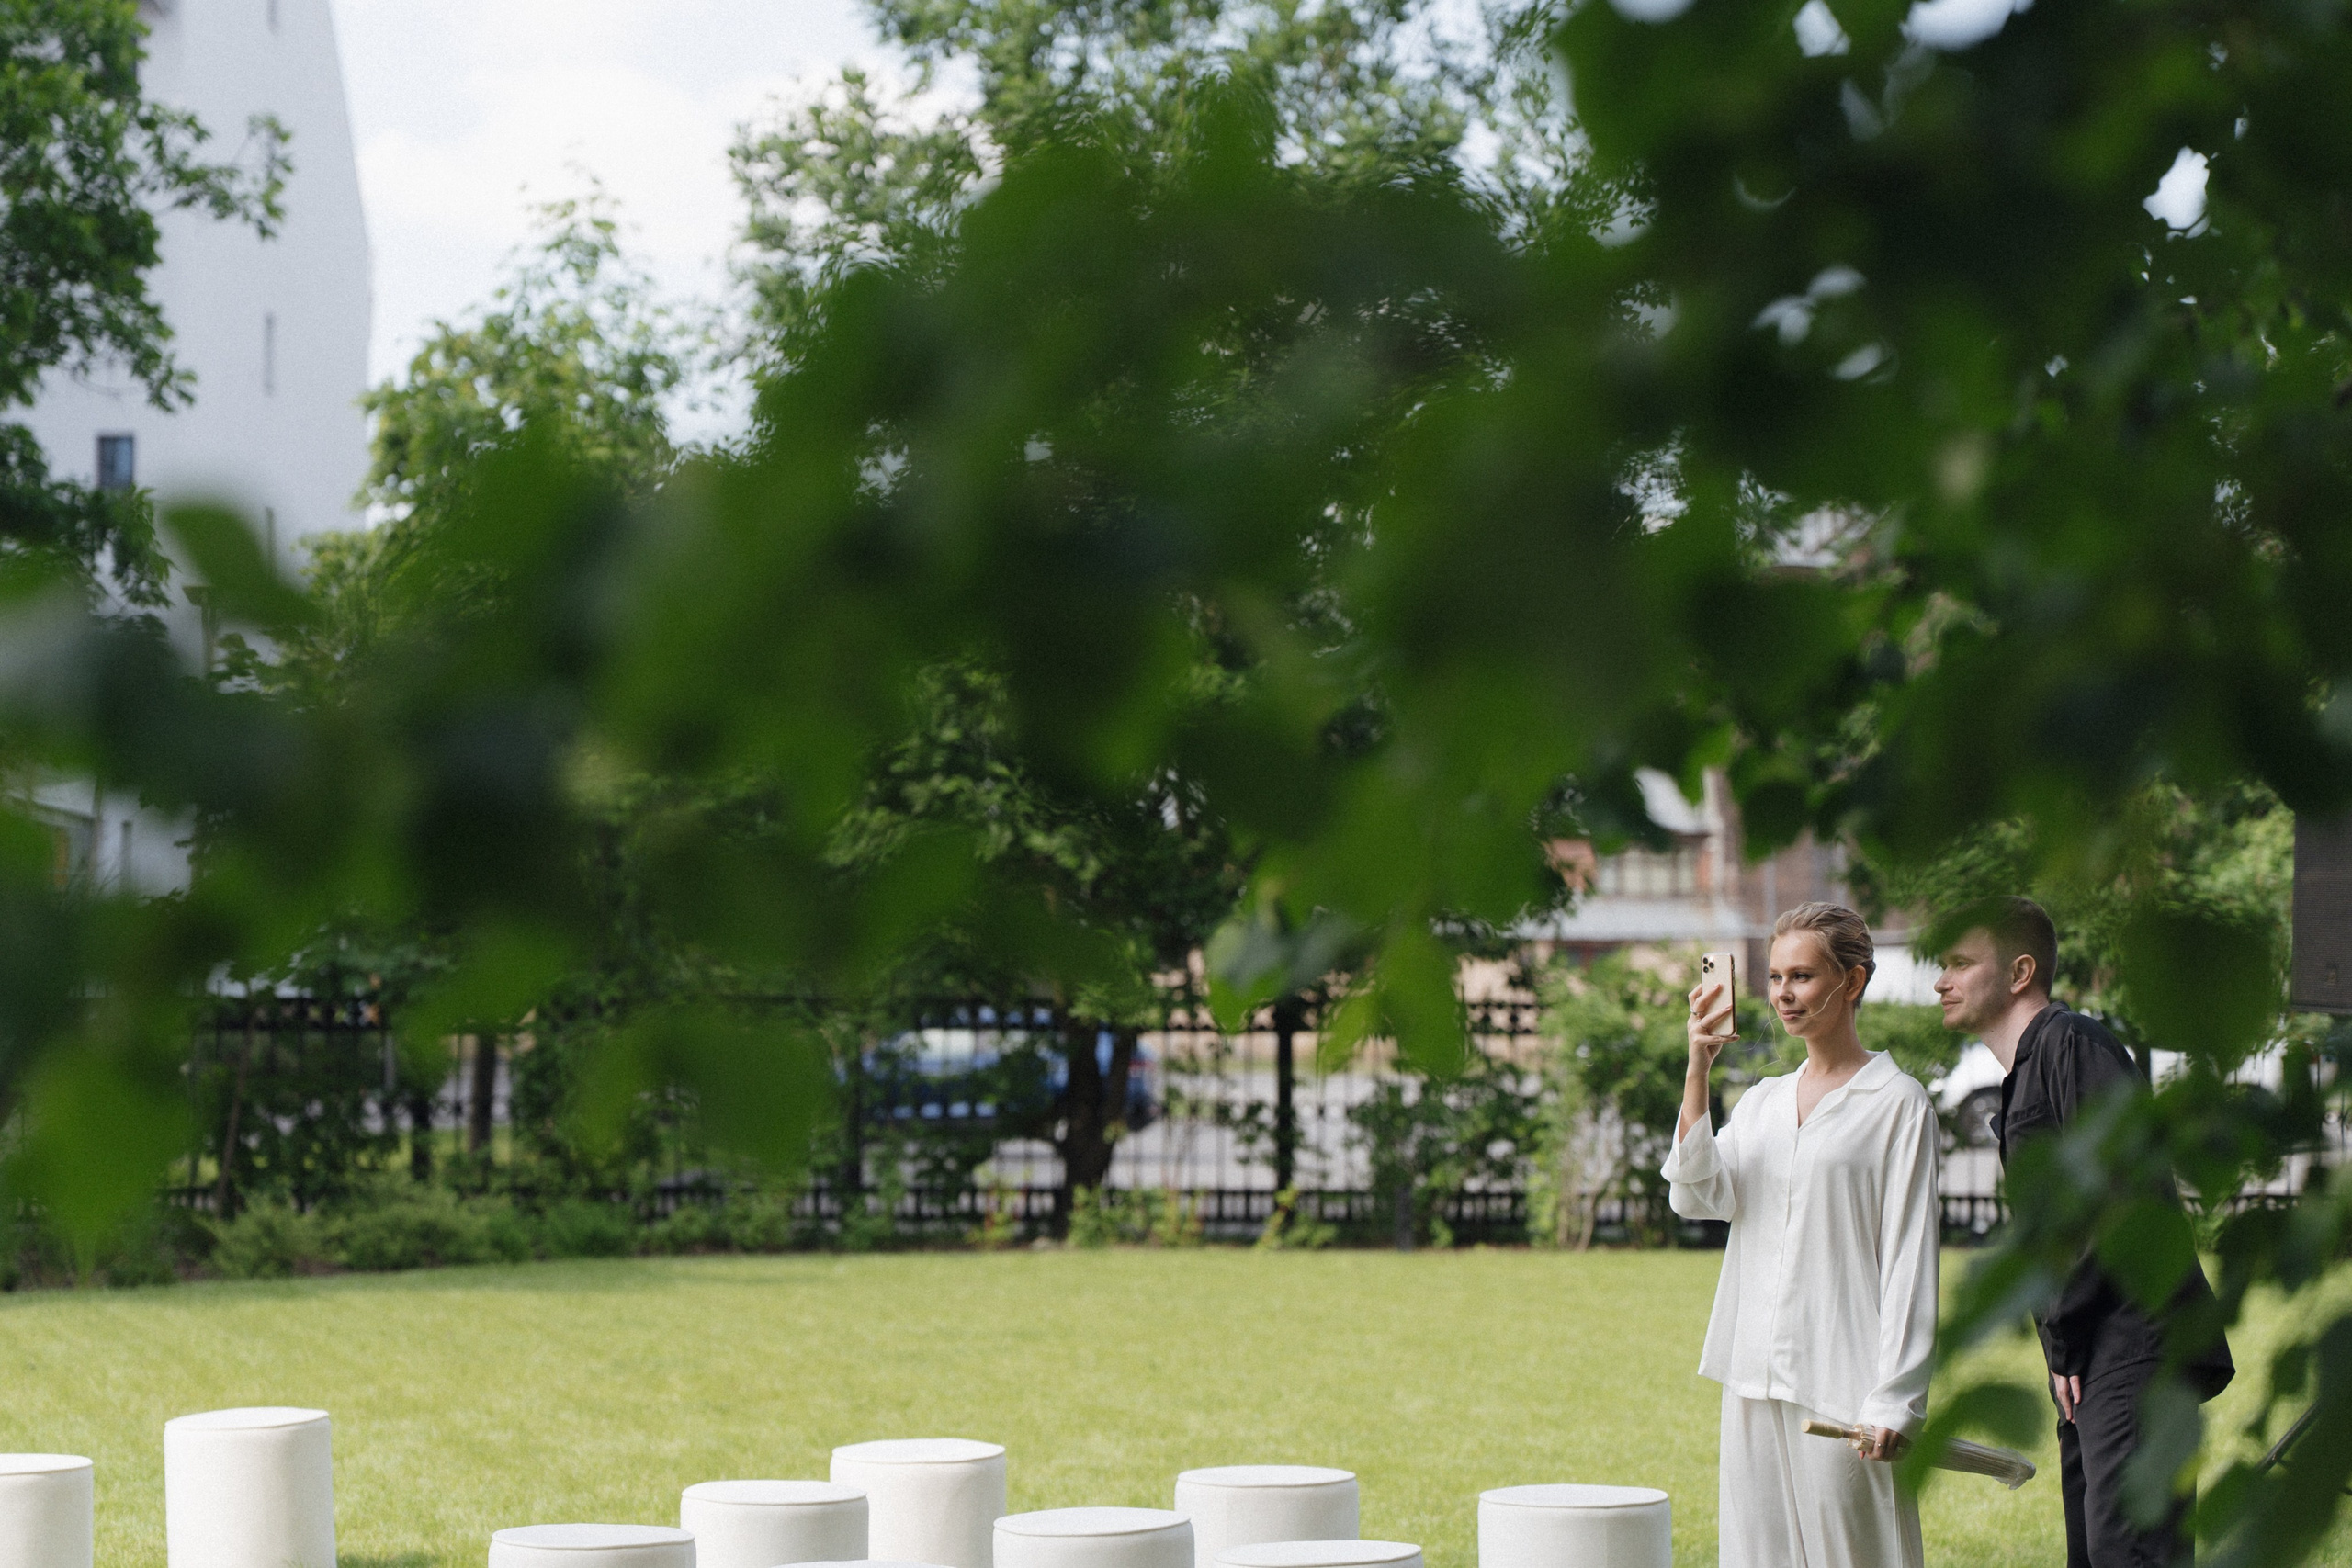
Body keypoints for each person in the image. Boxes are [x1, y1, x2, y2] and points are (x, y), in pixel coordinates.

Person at [1933, 895, 2233, 1568]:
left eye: (1959, 962)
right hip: (2089, 1355)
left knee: (2128, 1549)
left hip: (2137, 1341)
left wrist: (2064, 1339)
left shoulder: (2074, 1042)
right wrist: (2060, 1348)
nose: (1940, 980)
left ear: (2018, 972)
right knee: (2094, 1552)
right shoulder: (2025, 1072)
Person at [1664, 902, 1940, 1568]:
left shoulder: (1898, 1102)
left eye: (1803, 976)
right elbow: (1698, 1193)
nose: (1784, 994)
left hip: (1843, 1383)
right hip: (1752, 1375)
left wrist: (1896, 1398)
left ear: (1853, 981)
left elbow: (1910, 1258)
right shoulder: (1761, 1101)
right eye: (1775, 976)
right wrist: (1697, 1070)